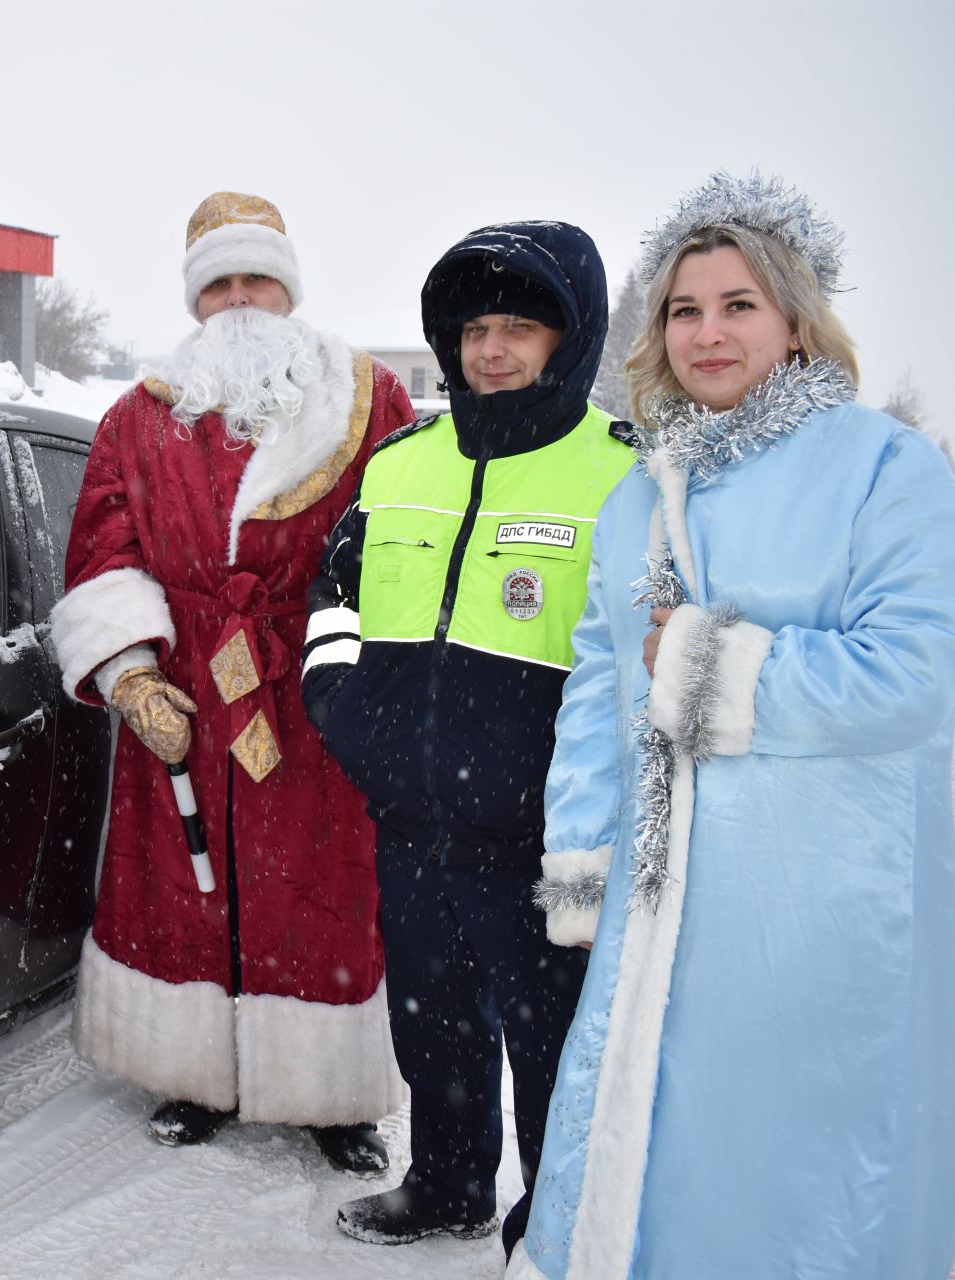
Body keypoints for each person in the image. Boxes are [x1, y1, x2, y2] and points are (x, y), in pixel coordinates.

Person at [507, 173, 955, 1279]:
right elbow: (596, 687)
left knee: (800, 1184)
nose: (708, 332)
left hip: (824, 914)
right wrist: (581, 856)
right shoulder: (639, 492)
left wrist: (710, 665)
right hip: (658, 913)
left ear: (796, 316)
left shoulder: (883, 464)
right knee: (641, 1163)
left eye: (739, 303)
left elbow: (913, 673)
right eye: (683, 308)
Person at [49, 191, 412, 1173]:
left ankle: (334, 1096)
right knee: (189, 887)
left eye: (257, 278)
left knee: (324, 890)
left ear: (288, 290)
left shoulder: (367, 399)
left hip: (317, 682)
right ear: (196, 298)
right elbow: (103, 553)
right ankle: (194, 1075)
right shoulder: (138, 418)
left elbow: (402, 544)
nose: (240, 299)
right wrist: (130, 677)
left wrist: (369, 670)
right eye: (220, 282)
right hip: (188, 687)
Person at [301, 220, 634, 1252]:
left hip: (546, 836)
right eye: (476, 327)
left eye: (519, 328)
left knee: (552, 1042)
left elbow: (637, 653)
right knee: (433, 1020)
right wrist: (344, 713)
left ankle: (553, 1216)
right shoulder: (401, 464)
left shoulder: (621, 472)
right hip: (413, 817)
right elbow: (333, 606)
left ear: (568, 339)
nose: (491, 350)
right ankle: (448, 1182)